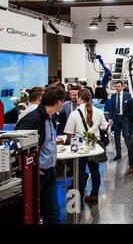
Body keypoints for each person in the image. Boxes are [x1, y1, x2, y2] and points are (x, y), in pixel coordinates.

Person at [15, 85, 65, 224]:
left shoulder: (50, 117)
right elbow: (17, 142)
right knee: (32, 212)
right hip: (37, 173)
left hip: (49, 170)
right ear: (58, 102)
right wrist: (33, 167)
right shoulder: (34, 118)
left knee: (53, 212)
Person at [64, 89, 108, 203]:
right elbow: (104, 128)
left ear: (80, 98)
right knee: (95, 170)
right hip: (94, 146)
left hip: (79, 147)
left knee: (79, 170)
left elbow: (70, 133)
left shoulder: (74, 114)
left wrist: (71, 148)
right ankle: (94, 194)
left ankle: (78, 195)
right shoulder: (98, 111)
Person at [107, 80, 132, 161]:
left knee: (126, 136)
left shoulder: (127, 95)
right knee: (116, 137)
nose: (117, 88)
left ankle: (130, 154)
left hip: (124, 119)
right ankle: (118, 154)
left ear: (122, 87)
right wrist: (110, 118)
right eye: (116, 86)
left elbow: (130, 107)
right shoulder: (113, 96)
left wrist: (129, 117)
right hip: (116, 119)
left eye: (119, 86)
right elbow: (111, 108)